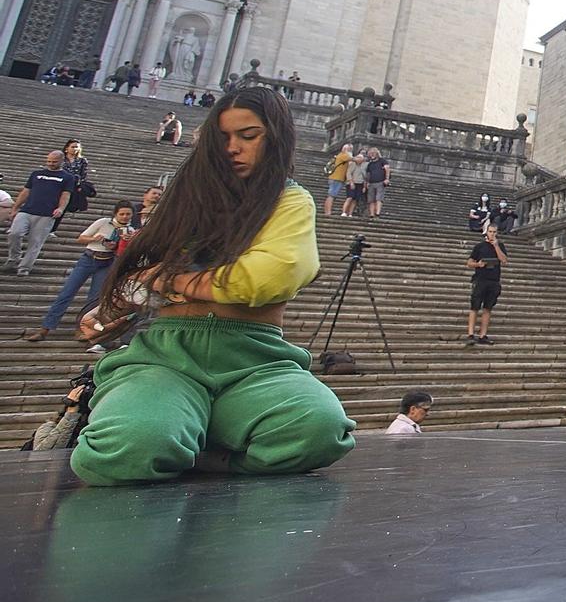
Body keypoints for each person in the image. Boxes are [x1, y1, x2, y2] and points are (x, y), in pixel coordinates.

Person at [67, 85, 356, 485]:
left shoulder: (290, 201)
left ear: (276, 137)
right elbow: (140, 275)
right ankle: (170, 432)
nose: (233, 148)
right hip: (166, 356)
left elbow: (267, 278)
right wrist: (112, 307)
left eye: (248, 136)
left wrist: (169, 280)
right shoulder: (184, 200)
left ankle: (201, 456)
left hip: (255, 359)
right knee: (129, 446)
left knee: (322, 431)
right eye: (223, 138)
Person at [26, 200, 134, 340]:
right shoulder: (103, 222)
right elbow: (81, 238)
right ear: (116, 213)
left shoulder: (130, 230)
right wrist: (95, 238)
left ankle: (82, 328)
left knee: (94, 299)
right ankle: (45, 328)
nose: (125, 217)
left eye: (128, 214)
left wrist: (123, 242)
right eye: (122, 214)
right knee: (67, 293)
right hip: (89, 259)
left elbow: (123, 252)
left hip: (107, 261)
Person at [7, 150, 73, 276]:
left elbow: (66, 194)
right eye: (48, 161)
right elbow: (26, 191)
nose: (50, 164)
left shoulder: (67, 177)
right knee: (14, 233)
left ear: (61, 161)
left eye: (54, 162)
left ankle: (24, 267)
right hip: (27, 209)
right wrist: (16, 207)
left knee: (35, 241)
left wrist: (60, 208)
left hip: (47, 213)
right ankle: (13, 259)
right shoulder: (36, 174)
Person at [465, 221, 505, 345]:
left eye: (494, 232)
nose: (492, 234)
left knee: (488, 308)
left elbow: (504, 260)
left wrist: (496, 246)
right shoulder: (479, 246)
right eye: (490, 232)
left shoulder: (500, 246)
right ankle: (471, 334)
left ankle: (483, 335)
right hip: (480, 279)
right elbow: (469, 263)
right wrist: (478, 264)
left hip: (493, 280)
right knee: (475, 306)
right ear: (486, 232)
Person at [325, 145, 354, 218]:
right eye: (349, 149)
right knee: (331, 195)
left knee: (332, 196)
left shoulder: (340, 155)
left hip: (336, 178)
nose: (350, 150)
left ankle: (328, 211)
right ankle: (328, 212)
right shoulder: (344, 155)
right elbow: (354, 160)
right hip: (337, 178)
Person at [362, 148, 389, 218]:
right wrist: (367, 183)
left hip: (380, 182)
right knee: (371, 199)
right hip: (371, 183)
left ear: (377, 153)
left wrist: (387, 179)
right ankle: (372, 214)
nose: (372, 155)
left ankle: (377, 213)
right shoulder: (370, 164)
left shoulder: (382, 161)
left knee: (379, 198)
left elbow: (387, 169)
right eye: (370, 154)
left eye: (373, 153)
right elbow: (368, 174)